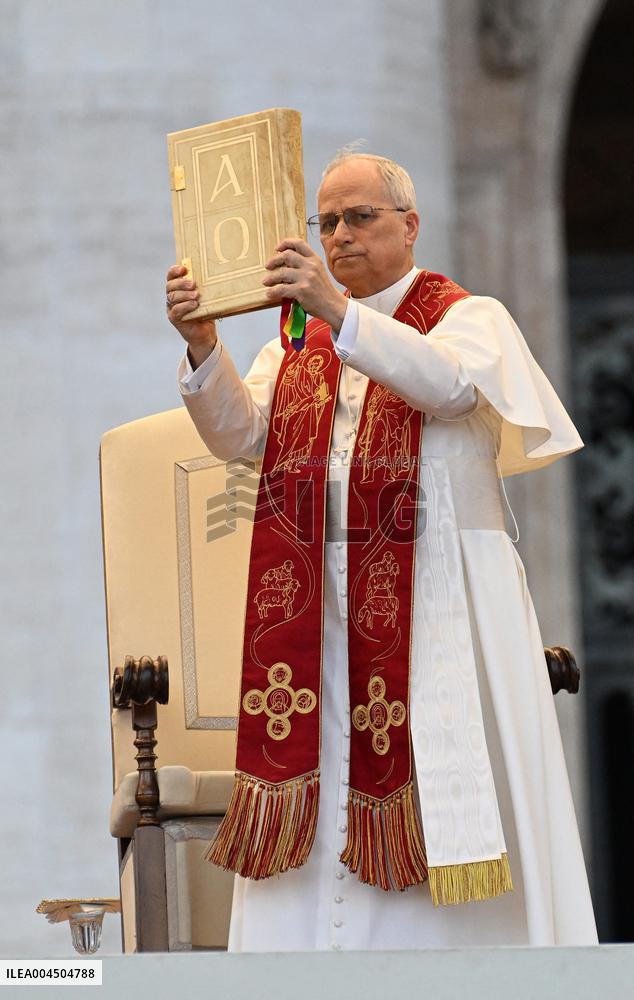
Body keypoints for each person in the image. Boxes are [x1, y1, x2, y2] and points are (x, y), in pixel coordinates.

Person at [166, 153, 598, 951]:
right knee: (327, 784)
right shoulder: (297, 348)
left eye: (360, 216)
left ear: (411, 224)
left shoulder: (469, 317)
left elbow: (448, 389)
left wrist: (340, 312)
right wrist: (203, 348)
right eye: (325, 222)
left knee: (438, 781)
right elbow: (241, 437)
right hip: (321, 621)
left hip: (441, 612)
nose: (340, 235)